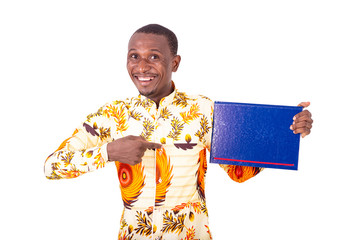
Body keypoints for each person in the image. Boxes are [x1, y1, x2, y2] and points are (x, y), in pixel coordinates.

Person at [44, 24, 313, 240]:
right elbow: (51, 167)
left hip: (191, 233)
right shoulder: (111, 115)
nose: (142, 66)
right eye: (134, 56)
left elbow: (238, 173)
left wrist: (286, 132)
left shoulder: (203, 110)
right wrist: (109, 151)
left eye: (154, 57)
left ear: (175, 63)